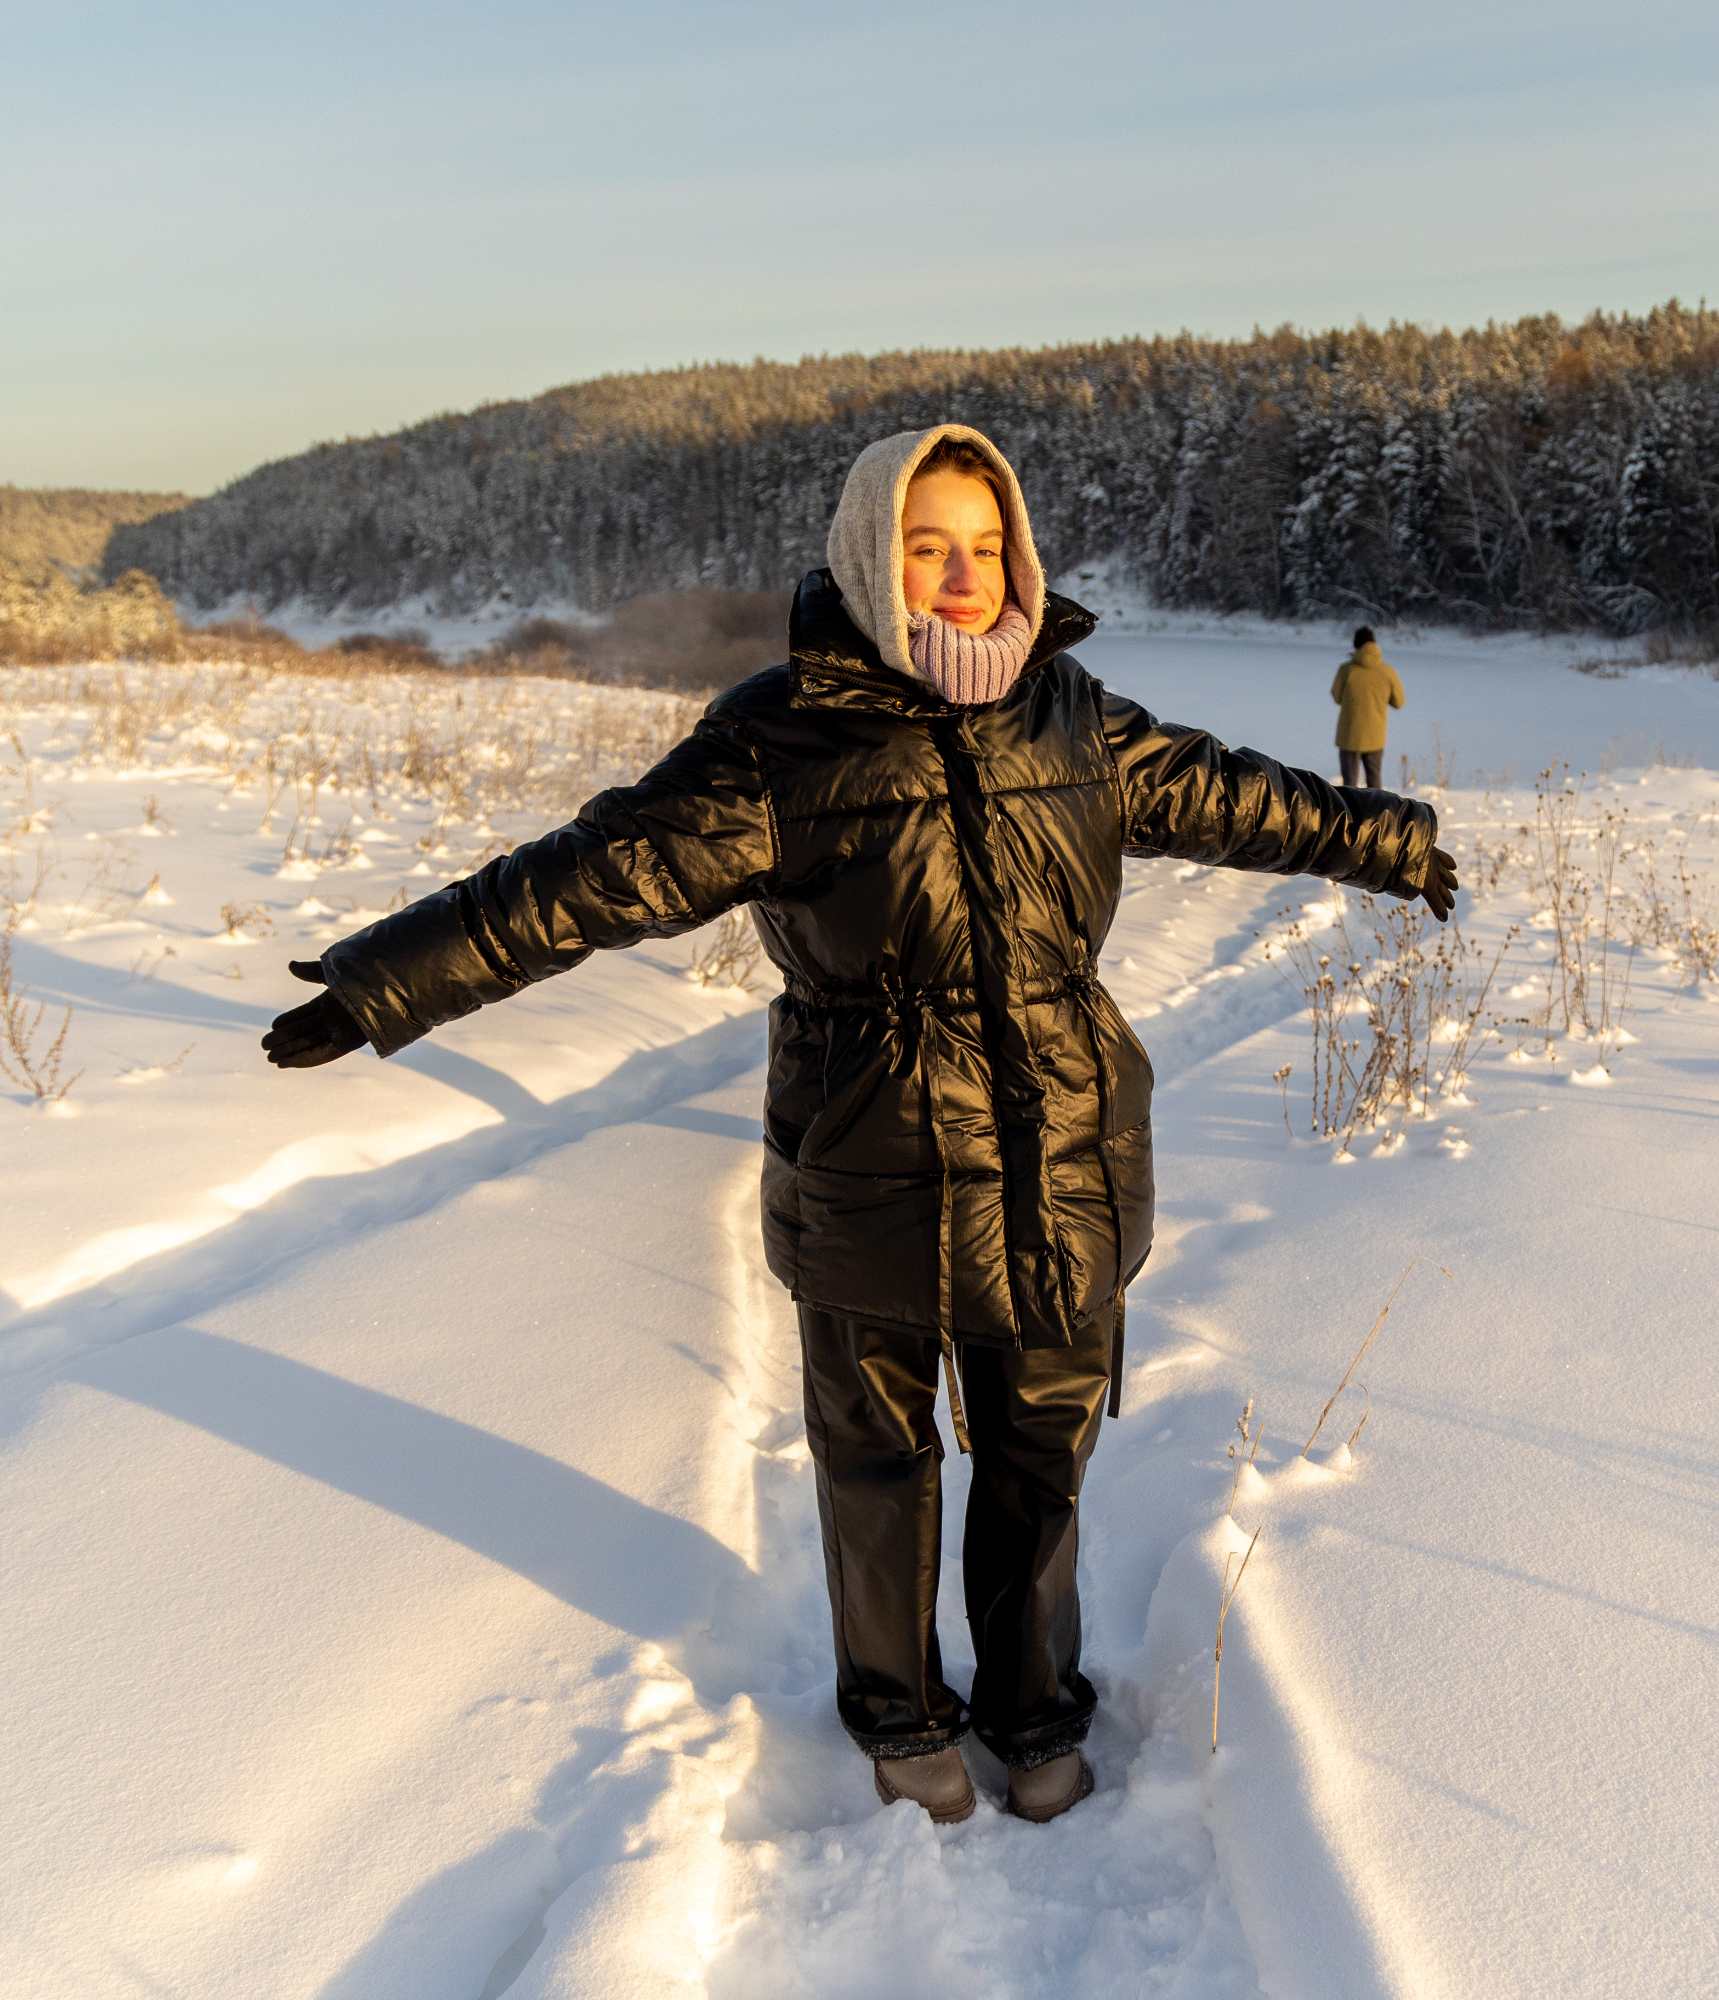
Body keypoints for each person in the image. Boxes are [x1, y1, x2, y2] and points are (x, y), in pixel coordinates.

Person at [262, 425, 1456, 1826]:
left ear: (1021, 555)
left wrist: (1392, 840)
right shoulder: (782, 736)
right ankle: (897, 1717)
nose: (961, 576)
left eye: (985, 545)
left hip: (1063, 1156)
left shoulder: (1070, 712)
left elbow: (1226, 793)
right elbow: (597, 876)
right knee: (880, 1469)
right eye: (927, 546)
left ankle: (1033, 1709)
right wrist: (384, 983)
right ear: (869, 556)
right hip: (871, 1164)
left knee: (1040, 1464)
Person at [1329, 625, 1405, 789]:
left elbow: (1337, 697)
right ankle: (1377, 813)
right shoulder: (1387, 671)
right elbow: (1398, 702)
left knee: (1349, 786)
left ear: (1356, 645)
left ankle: (1350, 814)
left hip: (1349, 735)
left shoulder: (1346, 670)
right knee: (1374, 781)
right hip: (1375, 736)